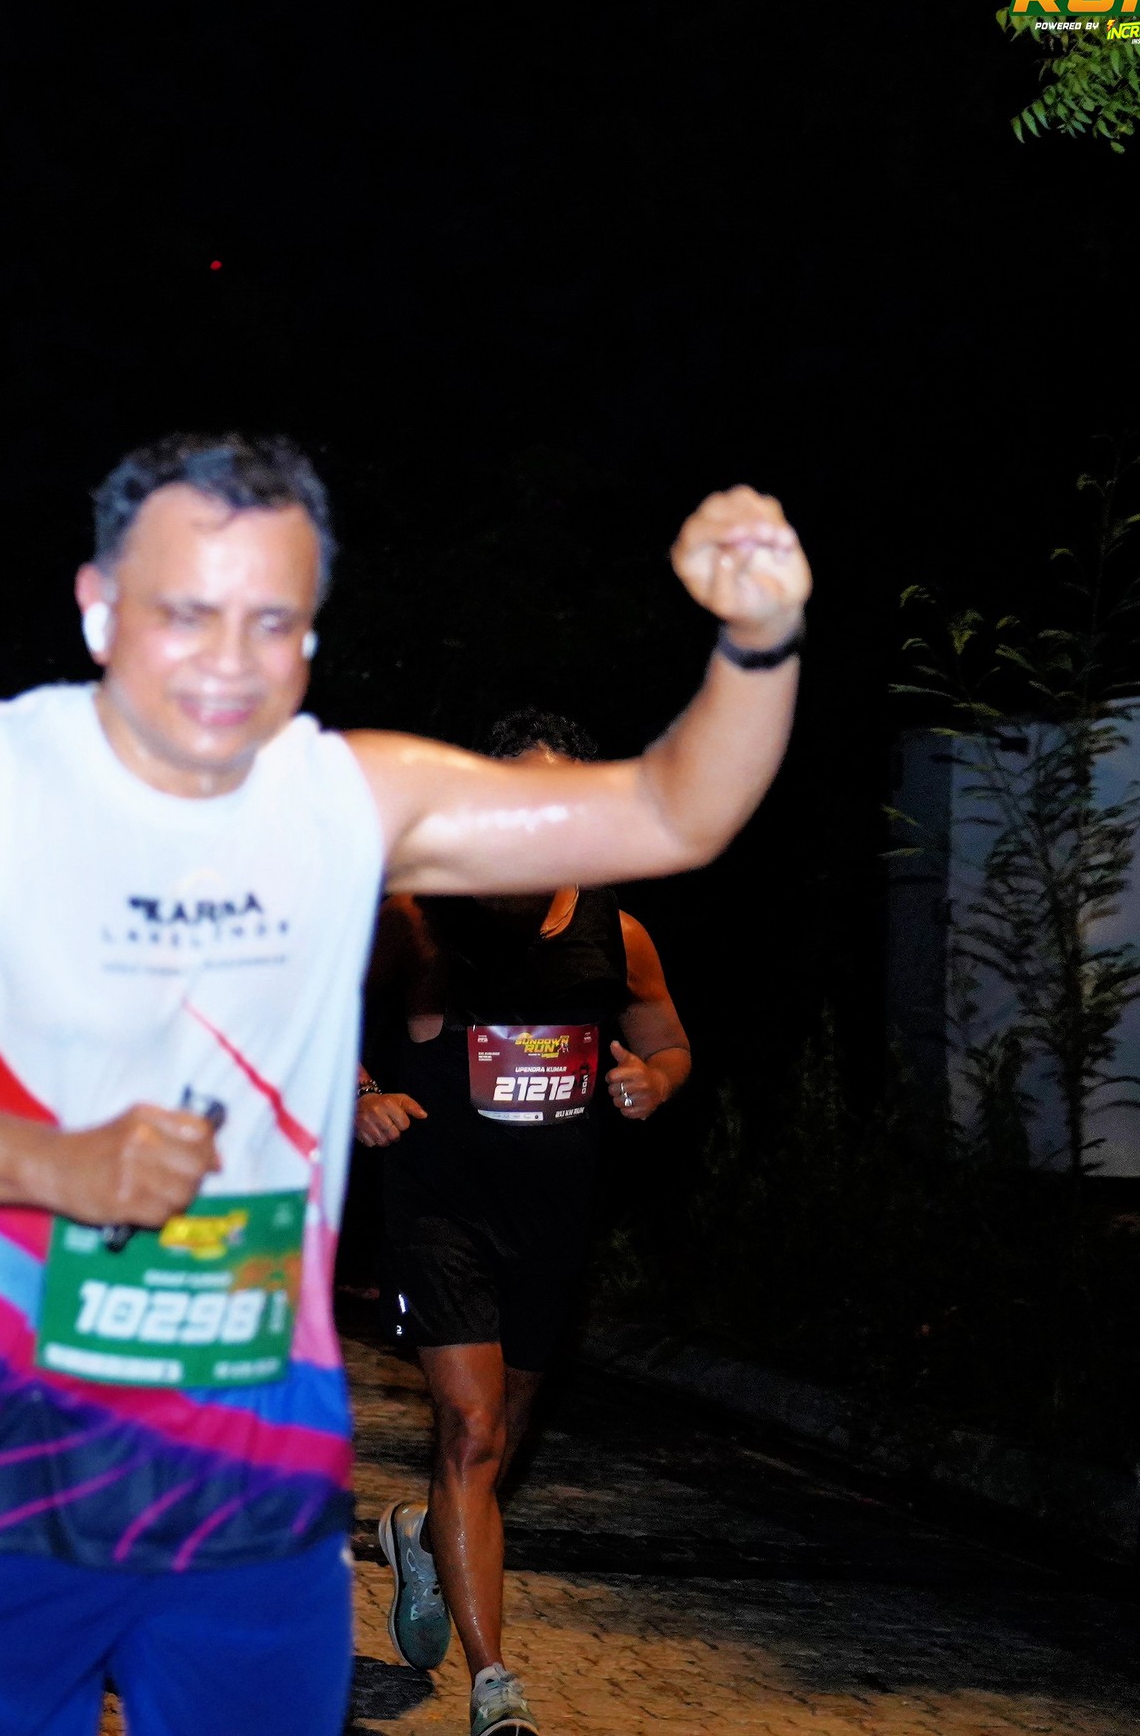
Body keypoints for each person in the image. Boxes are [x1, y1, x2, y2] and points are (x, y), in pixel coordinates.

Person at [0, 434, 807, 1736]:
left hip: (252, 1453)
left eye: (271, 620)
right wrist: (54, 1163)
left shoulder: (345, 795)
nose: (227, 660)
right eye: (185, 611)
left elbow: (674, 809)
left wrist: (759, 636)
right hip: (1, 1442)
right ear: (99, 605)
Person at [355, 709, 694, 1715]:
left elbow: (667, 1038)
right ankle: (492, 1682)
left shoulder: (616, 933)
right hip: (436, 1207)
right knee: (468, 1427)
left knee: (497, 1436)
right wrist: (361, 1091)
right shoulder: (416, 914)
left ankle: (423, 1535)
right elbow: (308, 1011)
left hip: (550, 1215)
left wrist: (654, 1080)